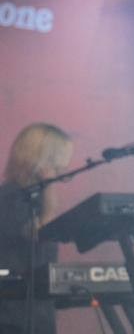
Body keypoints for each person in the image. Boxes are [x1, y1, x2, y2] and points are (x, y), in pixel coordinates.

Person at [0, 123, 73, 334]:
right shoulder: (9, 197)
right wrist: (49, 184)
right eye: (60, 161)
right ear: (42, 160)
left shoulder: (37, 201)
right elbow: (40, 232)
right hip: (11, 316)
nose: (64, 169)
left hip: (37, 313)